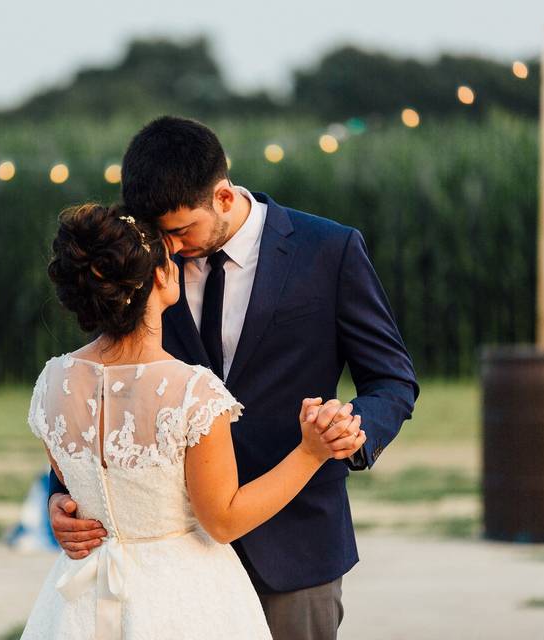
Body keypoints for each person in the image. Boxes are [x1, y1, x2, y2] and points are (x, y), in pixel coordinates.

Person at [48, 116, 419, 639]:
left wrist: (350, 426)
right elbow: (103, 394)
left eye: (180, 231)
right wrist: (61, 497)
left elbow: (393, 379)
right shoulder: (151, 273)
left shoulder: (328, 251)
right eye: (158, 236)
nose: (170, 249)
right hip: (171, 564)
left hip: (293, 546)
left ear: (223, 196)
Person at [21, 203, 365, 639]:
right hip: (181, 598)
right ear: (160, 277)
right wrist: (311, 453)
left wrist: (60, 502)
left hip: (81, 604)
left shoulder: (54, 382)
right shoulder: (190, 392)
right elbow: (222, 520)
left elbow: (77, 481)